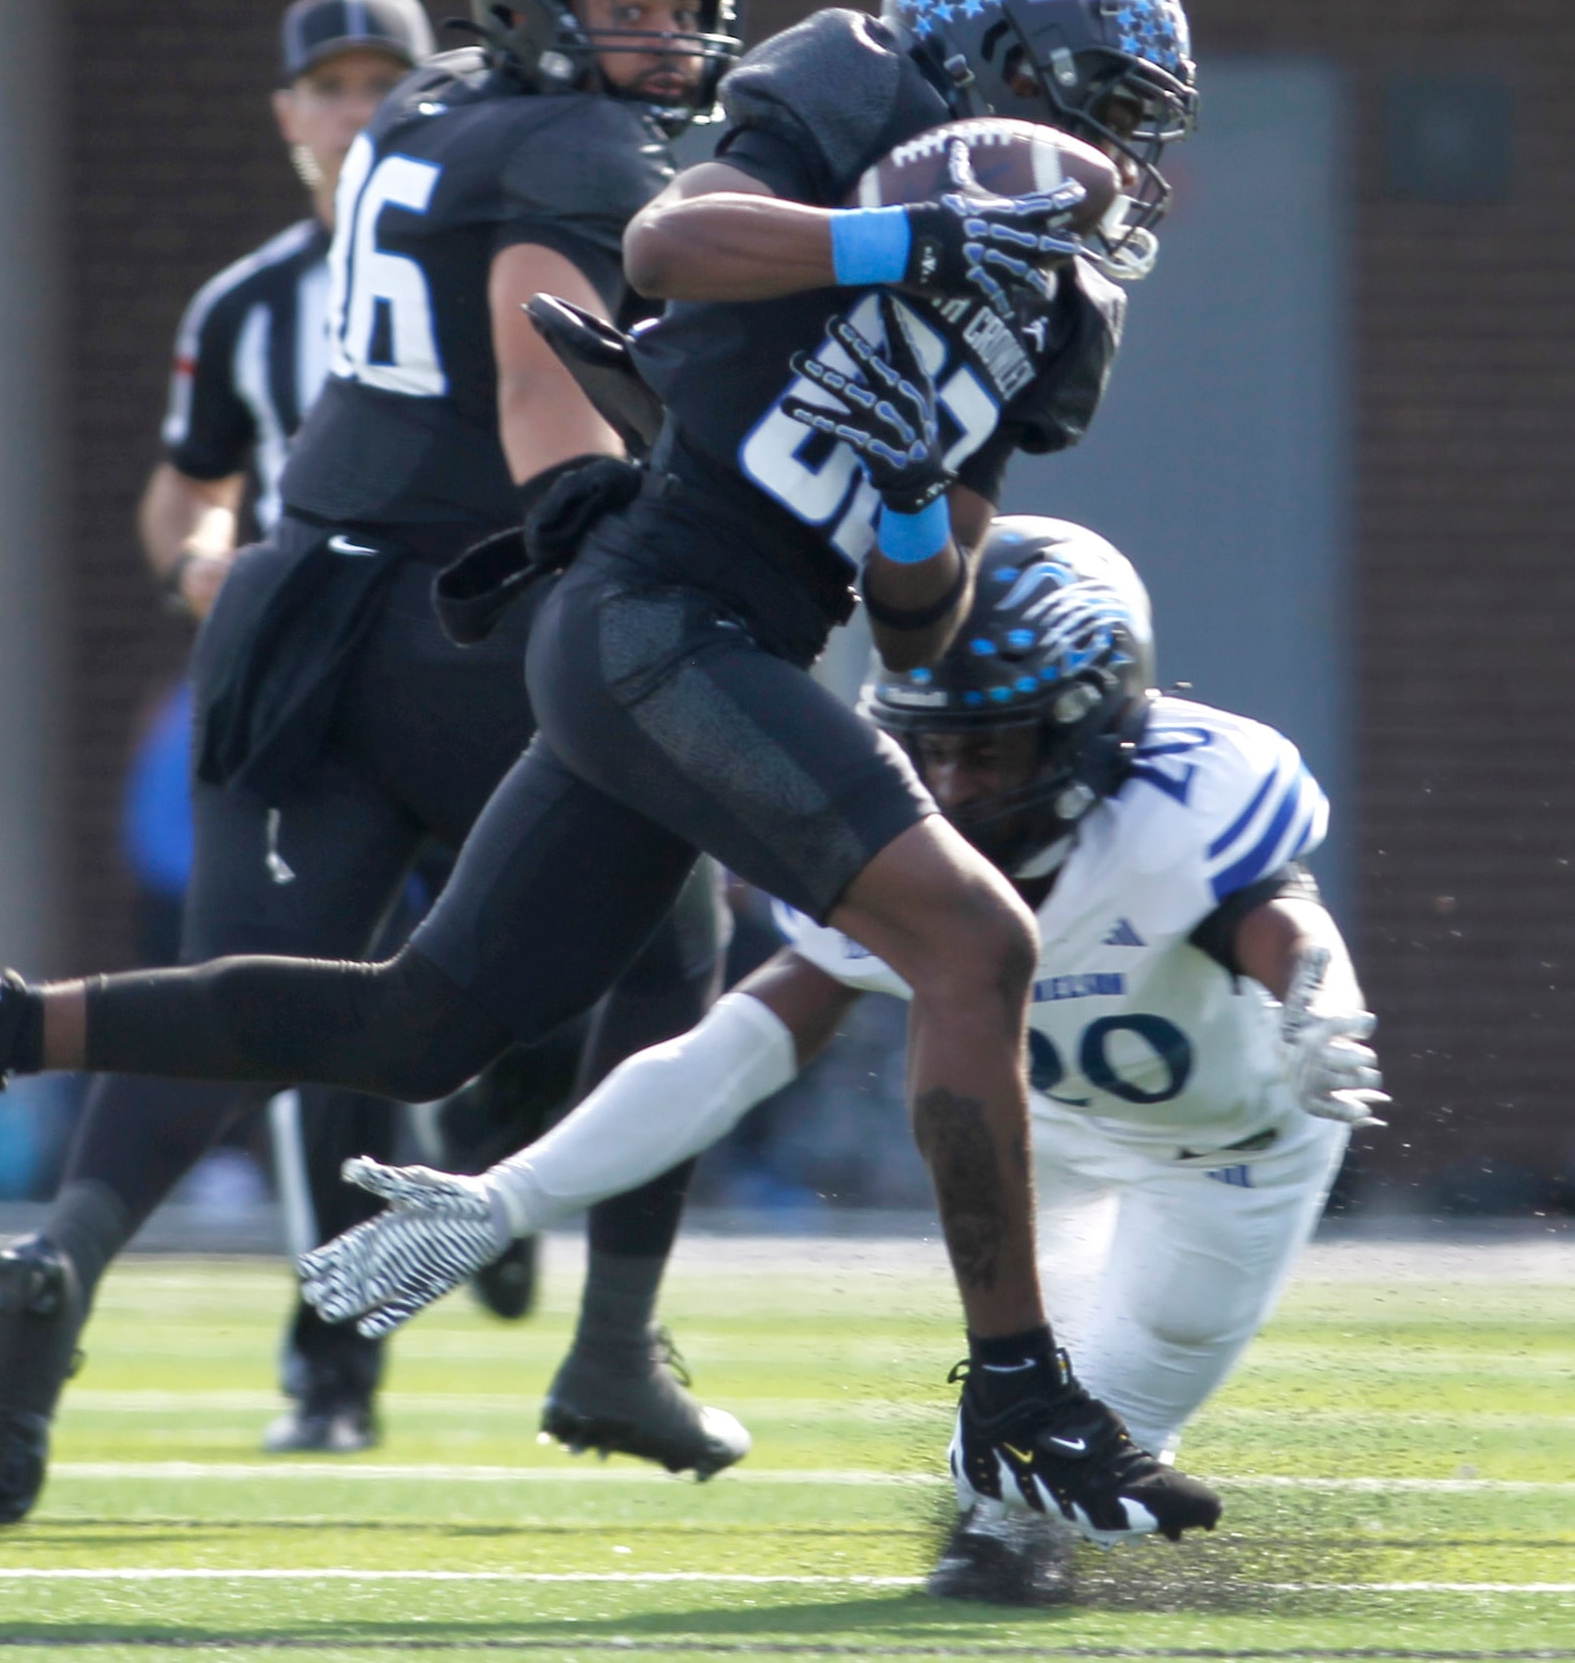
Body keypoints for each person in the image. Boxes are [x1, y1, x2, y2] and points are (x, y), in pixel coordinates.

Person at [0, 0, 1223, 1547]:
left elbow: (925, 604)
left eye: (1127, 119)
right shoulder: (853, 89)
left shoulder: (1061, 306)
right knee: (974, 938)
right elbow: (672, 242)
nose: (1110, 150)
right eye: (1093, 96)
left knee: (421, 1025)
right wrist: (898, 246)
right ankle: (1019, 1391)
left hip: (739, 637)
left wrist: (899, 499)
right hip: (653, 609)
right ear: (986, 62)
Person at [292, 516, 1385, 1601]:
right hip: (1039, 1122)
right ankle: (996, 1525)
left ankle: (1003, 1541)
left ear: (1090, 728)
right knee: (1031, 1409)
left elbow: (1278, 920)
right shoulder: (902, 839)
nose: (951, 788)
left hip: (1229, 1146)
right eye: (931, 748)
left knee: (1082, 1453)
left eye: (987, 748)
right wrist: (512, 1195)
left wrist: (1314, 1001)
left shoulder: (1182, 807)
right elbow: (734, 1051)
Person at [0, 0, 439, 1507]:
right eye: (333, 85)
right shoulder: (250, 304)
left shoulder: (503, 246)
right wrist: (207, 567)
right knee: (295, 1010)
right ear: (290, 114)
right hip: (314, 694)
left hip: (490, 676)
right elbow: (189, 488)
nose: (359, 108)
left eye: (388, 82)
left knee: (535, 986)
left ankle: (493, 1211)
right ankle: (330, 1348)